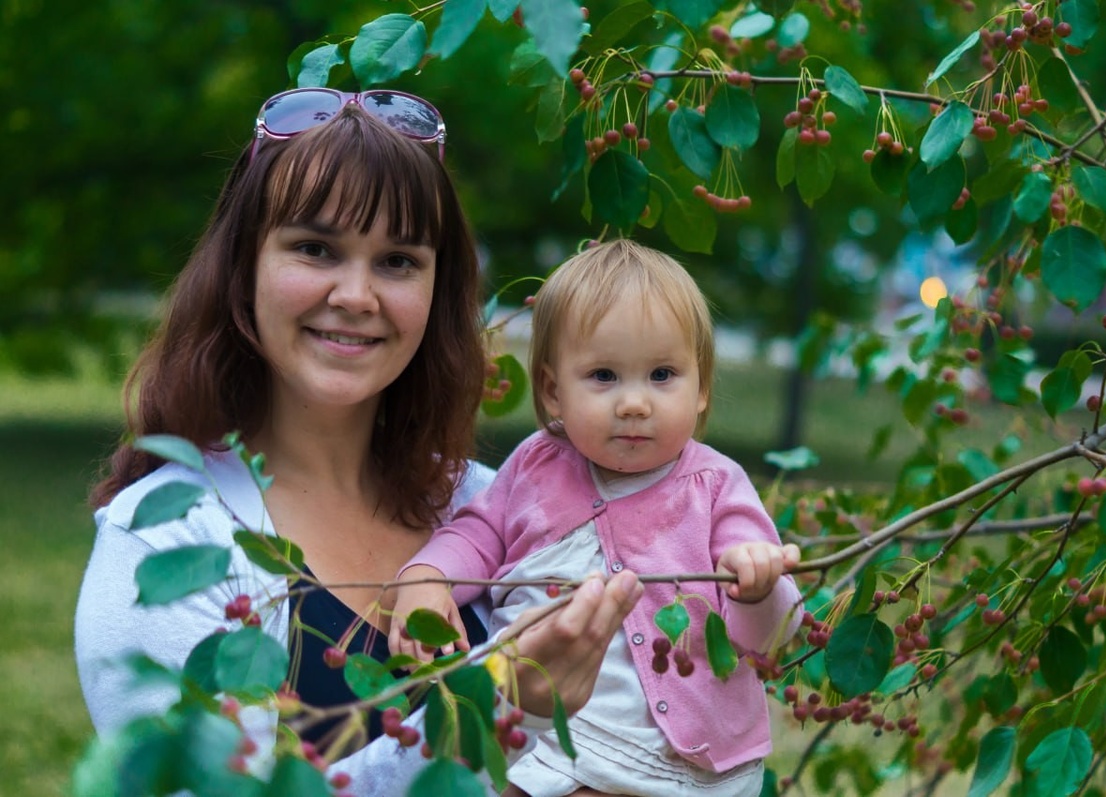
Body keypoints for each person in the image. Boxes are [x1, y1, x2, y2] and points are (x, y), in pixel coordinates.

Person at [74, 87, 642, 795]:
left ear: (440, 288)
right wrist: (494, 704)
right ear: (243, 265)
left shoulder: (497, 506)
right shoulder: (167, 546)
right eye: (315, 248)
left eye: (398, 260)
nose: (356, 295)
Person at [390, 239, 804, 797]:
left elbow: (766, 640)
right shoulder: (536, 465)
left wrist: (757, 587)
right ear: (553, 391)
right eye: (604, 376)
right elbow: (478, 533)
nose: (634, 403)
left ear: (701, 388)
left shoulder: (714, 488)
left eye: (662, 375)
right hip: (548, 732)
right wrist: (428, 577)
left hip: (677, 757)